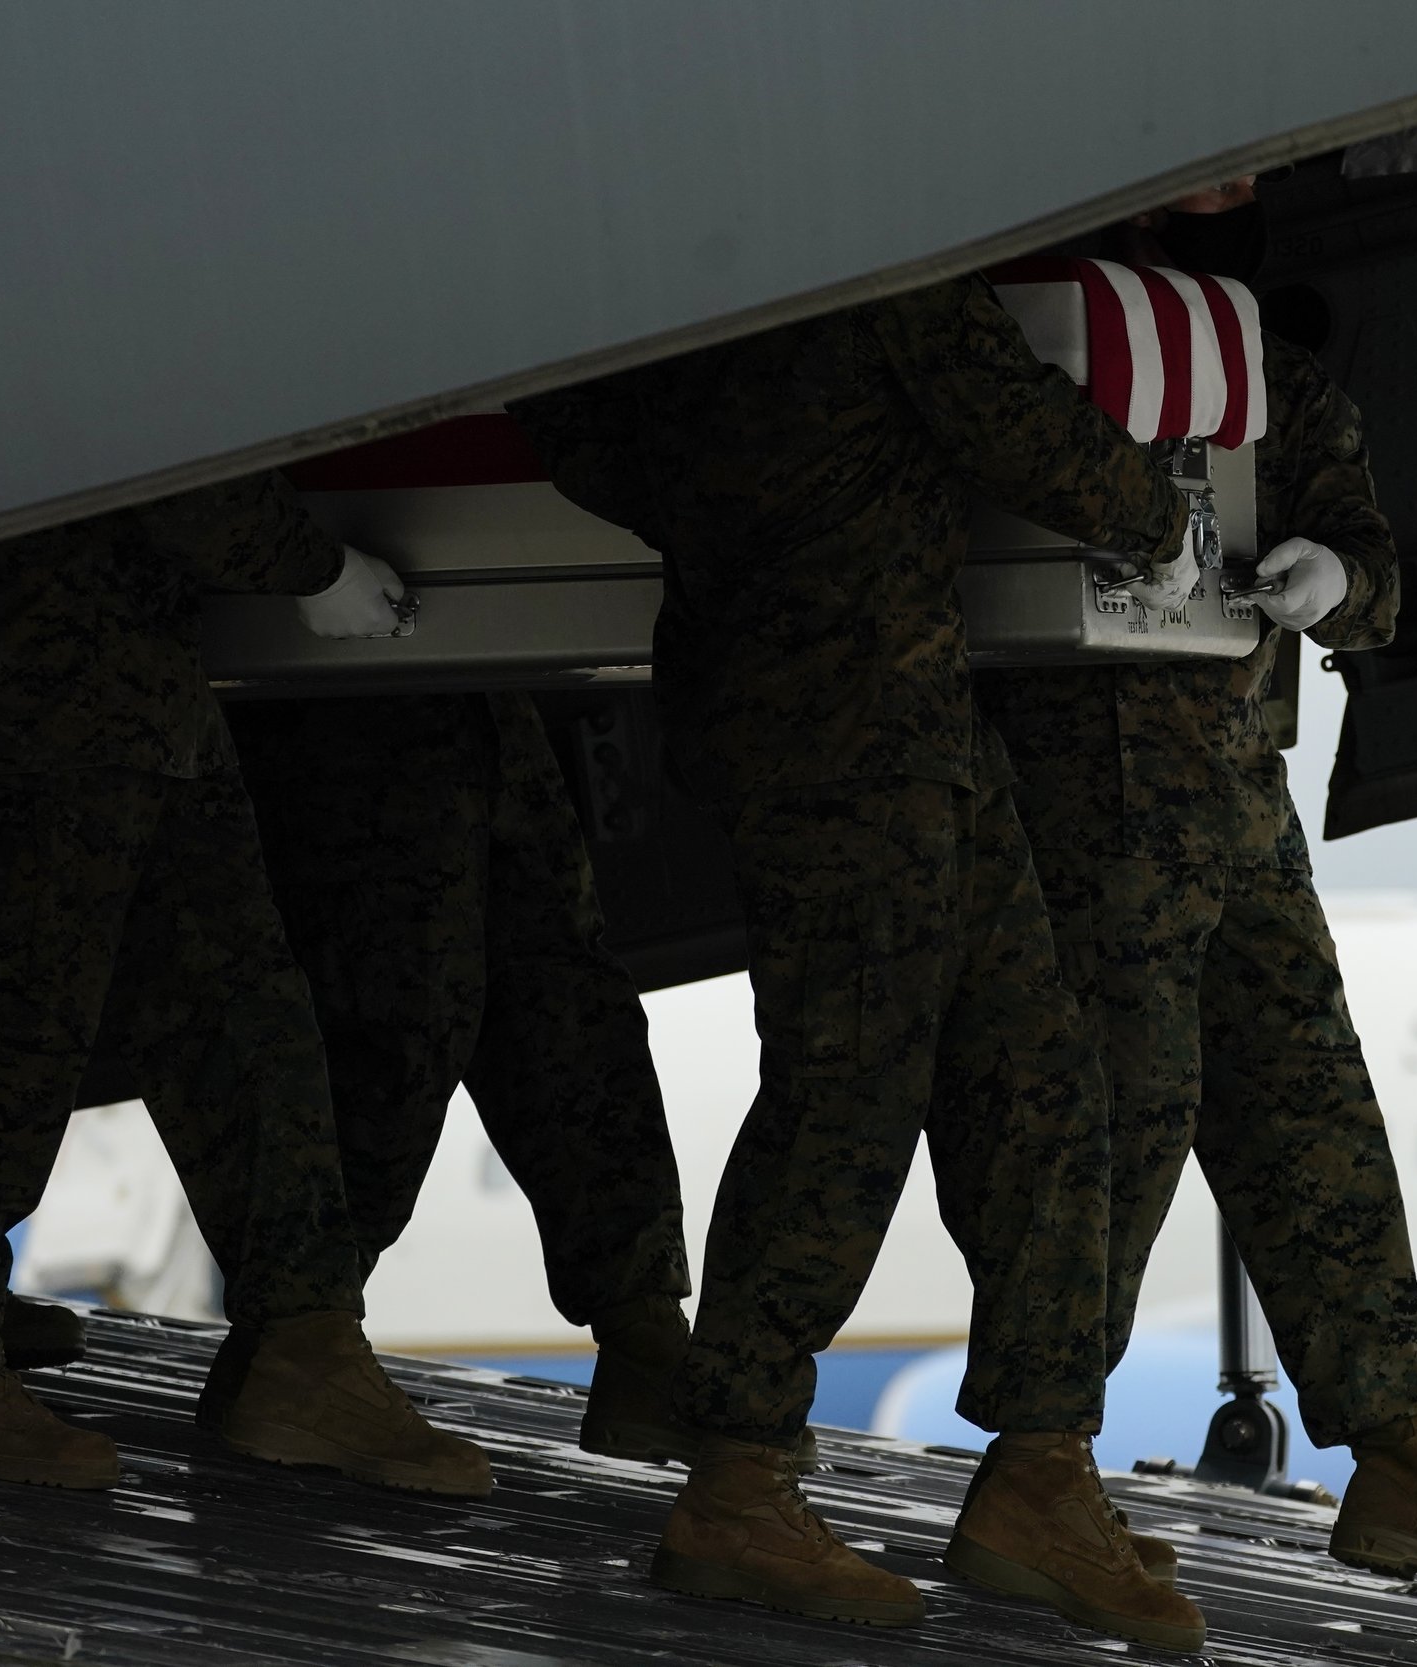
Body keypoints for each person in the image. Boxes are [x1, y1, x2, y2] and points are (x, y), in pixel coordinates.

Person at [514, 273, 1208, 1650]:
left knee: (1039, 1075)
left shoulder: (642, 288)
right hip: (855, 727)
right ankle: (739, 1483)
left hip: (864, 711)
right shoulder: (861, 253)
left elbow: (573, 431)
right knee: (847, 1093)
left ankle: (1041, 1467)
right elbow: (1019, 426)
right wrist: (1158, 520)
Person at [974, 182, 1417, 1602]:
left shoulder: (1268, 380)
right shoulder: (1036, 360)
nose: (1216, 210)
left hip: (1242, 815)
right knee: (1114, 1126)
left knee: (1316, 1118)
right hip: (1092, 817)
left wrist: (1339, 581)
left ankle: (1402, 1455)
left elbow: (1370, 567)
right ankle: (1038, 1466)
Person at [0, 473, 491, 1498]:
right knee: (20, 1025)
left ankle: (303, 1346)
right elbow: (122, 426)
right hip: (35, 662)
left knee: (244, 1006)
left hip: (123, 664)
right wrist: (306, 565)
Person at [224, 690, 697, 1462]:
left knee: (565, 992)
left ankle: (642, 1326)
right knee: (401, 1002)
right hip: (359, 678)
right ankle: (294, 1339)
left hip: (473, 669)